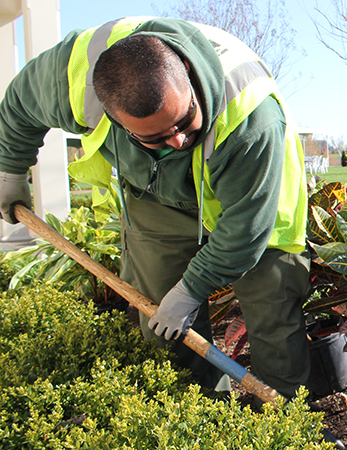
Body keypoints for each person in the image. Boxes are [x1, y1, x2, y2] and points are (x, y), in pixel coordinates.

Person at [0, 17, 311, 399]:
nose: (178, 141)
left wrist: (192, 289)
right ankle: (198, 409)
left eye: (184, 121)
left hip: (254, 203)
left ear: (188, 75)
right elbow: (18, 107)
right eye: (156, 137)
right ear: (115, 119)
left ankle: (284, 412)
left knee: (272, 307)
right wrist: (9, 172)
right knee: (163, 320)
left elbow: (245, 231)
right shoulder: (72, 80)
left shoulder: (252, 116)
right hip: (155, 193)